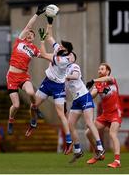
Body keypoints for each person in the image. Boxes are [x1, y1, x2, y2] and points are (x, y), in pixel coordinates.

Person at [25, 17, 74, 155]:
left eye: (63, 47)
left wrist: (40, 40)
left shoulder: (62, 59)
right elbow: (50, 37)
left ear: (67, 51)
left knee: (61, 114)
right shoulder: (59, 50)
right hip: (47, 82)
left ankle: (69, 141)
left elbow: (45, 54)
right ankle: (33, 123)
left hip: (58, 87)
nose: (60, 46)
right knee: (33, 106)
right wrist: (50, 22)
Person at [6, 5, 45, 135]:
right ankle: (11, 120)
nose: (29, 34)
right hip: (12, 76)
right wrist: (37, 14)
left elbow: (44, 55)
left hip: (23, 76)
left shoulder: (34, 49)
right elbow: (28, 26)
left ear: (34, 38)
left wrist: (58, 58)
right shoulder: (20, 41)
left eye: (32, 34)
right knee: (16, 106)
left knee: (31, 93)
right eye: (28, 33)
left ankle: (35, 108)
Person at [65, 59, 105, 163]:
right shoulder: (62, 70)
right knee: (70, 124)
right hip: (76, 100)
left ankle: (100, 147)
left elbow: (76, 76)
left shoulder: (74, 66)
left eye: (69, 55)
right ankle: (78, 150)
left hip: (84, 96)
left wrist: (64, 77)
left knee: (89, 122)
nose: (66, 57)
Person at [86, 63, 122, 168]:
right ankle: (98, 154)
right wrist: (83, 93)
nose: (100, 70)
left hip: (115, 112)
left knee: (112, 134)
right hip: (105, 115)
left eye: (102, 69)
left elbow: (107, 78)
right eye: (99, 69)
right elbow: (92, 96)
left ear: (107, 71)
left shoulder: (111, 80)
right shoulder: (98, 85)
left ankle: (117, 161)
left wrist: (93, 80)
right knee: (88, 133)